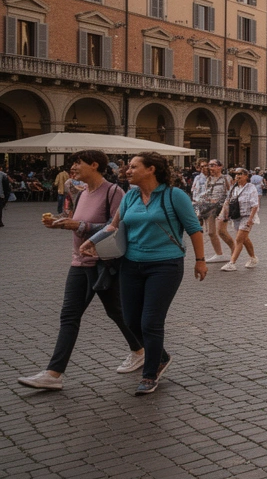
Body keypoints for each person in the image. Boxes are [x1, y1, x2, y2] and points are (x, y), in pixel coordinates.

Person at [80, 152, 206, 395]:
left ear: (151, 169)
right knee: (131, 320)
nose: (127, 171)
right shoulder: (130, 197)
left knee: (150, 322)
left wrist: (200, 261)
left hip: (165, 265)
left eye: (134, 167)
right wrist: (92, 241)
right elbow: (113, 225)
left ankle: (150, 374)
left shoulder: (174, 195)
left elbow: (194, 229)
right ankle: (161, 356)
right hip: (131, 265)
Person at [18, 151, 142, 391]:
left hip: (102, 262)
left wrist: (80, 225)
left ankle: (148, 352)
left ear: (94, 165)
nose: (72, 167)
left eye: (77, 163)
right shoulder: (81, 192)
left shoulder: (113, 192)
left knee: (117, 312)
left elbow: (118, 226)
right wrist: (61, 221)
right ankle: (54, 374)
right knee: (71, 315)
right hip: (79, 261)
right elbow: (77, 219)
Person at [217, 168, 260, 271]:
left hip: (247, 216)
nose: (237, 176)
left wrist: (250, 219)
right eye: (236, 174)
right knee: (244, 239)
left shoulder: (251, 188)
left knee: (239, 239)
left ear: (246, 176)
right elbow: (227, 202)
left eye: (240, 174)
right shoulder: (234, 188)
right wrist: (222, 215)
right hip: (237, 217)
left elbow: (255, 205)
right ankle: (253, 258)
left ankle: (232, 263)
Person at [191, 159, 232, 263]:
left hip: (222, 207)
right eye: (209, 165)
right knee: (211, 232)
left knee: (222, 231)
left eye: (213, 165)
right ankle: (219, 254)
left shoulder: (226, 178)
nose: (210, 167)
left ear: (220, 166)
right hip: (210, 208)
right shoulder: (209, 179)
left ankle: (235, 250)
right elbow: (206, 193)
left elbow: (231, 193)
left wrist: (224, 204)